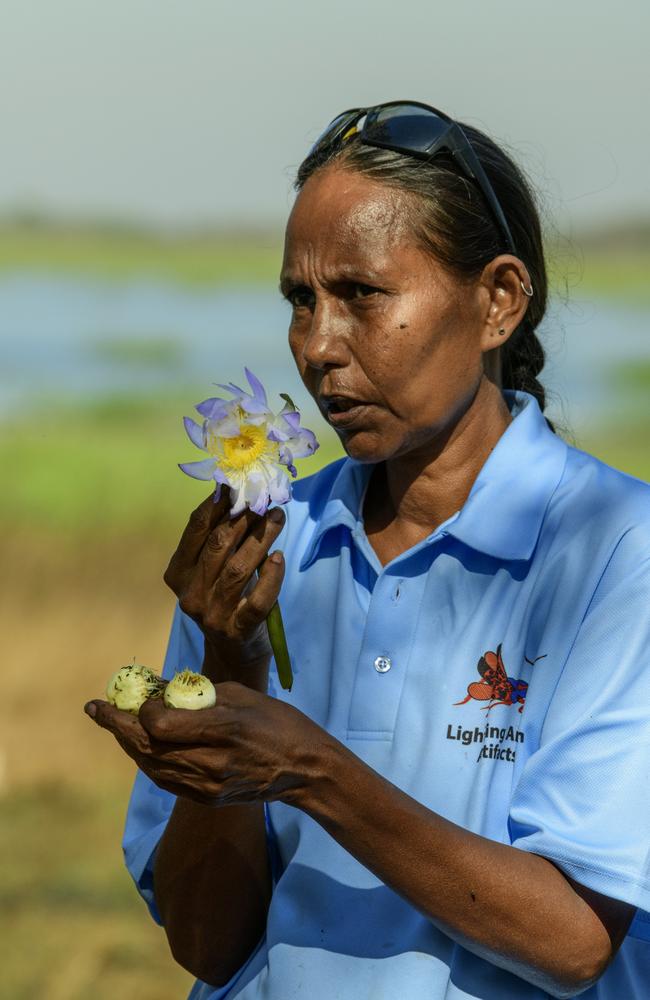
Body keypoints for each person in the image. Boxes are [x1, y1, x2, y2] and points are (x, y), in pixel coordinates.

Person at [85, 102, 650, 999]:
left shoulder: (615, 552)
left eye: (362, 295)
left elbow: (576, 938)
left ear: (498, 299)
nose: (316, 346)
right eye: (300, 300)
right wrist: (232, 674)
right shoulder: (270, 548)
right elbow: (209, 946)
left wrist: (308, 769)